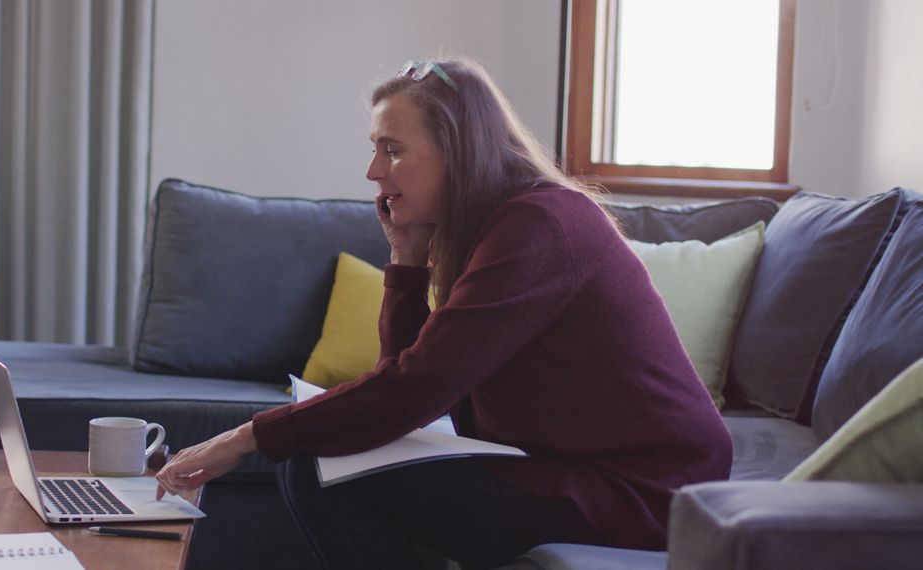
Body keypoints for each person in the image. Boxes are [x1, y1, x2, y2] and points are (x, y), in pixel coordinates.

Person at [156, 57, 732, 569]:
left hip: (643, 494)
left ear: (457, 151)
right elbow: (410, 385)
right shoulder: (492, 227)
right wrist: (407, 258)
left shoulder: (540, 226)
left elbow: (412, 390)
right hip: (567, 471)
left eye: (393, 149)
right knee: (316, 457)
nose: (373, 172)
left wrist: (243, 437)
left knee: (308, 463)